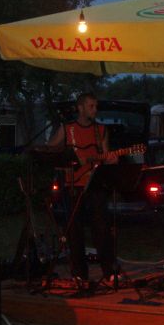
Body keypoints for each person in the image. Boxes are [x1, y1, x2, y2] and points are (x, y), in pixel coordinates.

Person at [47, 93, 118, 284]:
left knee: (101, 227)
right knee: (74, 230)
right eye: (91, 106)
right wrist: (64, 160)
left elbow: (105, 154)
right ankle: (79, 273)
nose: (95, 110)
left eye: (96, 106)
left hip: (94, 184)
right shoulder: (67, 128)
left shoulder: (101, 130)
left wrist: (111, 160)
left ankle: (109, 271)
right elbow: (50, 150)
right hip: (72, 185)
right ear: (80, 108)